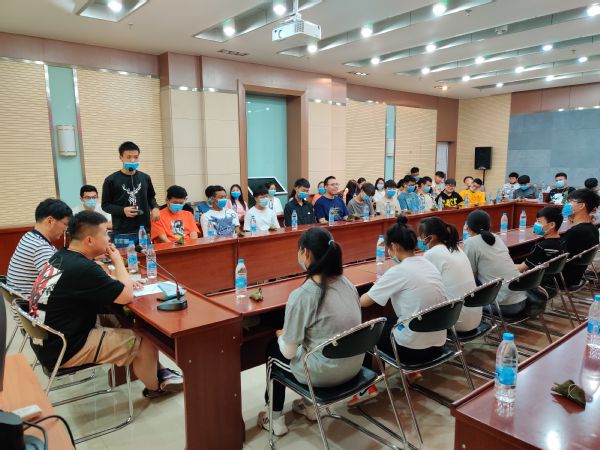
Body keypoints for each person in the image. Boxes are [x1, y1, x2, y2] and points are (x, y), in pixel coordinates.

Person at [28, 211, 183, 399]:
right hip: (64, 348)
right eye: (105, 234)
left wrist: (119, 281)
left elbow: (97, 281)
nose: (109, 238)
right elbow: (126, 296)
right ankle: (155, 389)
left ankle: (159, 371)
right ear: (89, 240)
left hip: (48, 341)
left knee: (123, 321)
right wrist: (118, 262)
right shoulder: (83, 268)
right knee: (147, 342)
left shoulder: (62, 256)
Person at [256, 228, 363, 435]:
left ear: (305, 253)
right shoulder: (347, 283)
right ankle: (311, 407)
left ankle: (275, 419)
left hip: (325, 375)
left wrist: (282, 336)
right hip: (354, 367)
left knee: (274, 351)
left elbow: (288, 352)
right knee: (310, 343)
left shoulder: (304, 294)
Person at [353, 215, 447, 404]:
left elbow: (364, 302)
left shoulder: (398, 271)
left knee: (370, 328)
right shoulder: (427, 263)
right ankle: (412, 372)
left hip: (413, 351)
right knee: (394, 321)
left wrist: (376, 288)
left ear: (394, 247)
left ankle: (366, 387)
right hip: (438, 344)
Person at [418, 217, 480, 332]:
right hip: (475, 317)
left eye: (421, 236)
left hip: (455, 320)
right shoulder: (456, 249)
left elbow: (420, 287)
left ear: (431, 237)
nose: (420, 240)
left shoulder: (432, 254)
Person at [463, 210, 527, 316]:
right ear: (489, 226)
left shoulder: (471, 242)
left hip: (504, 306)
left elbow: (470, 276)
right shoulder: (496, 237)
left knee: (461, 301)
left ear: (468, 228)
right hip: (522, 300)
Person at [7, 199, 72, 297]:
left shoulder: (30, 236)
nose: (65, 229)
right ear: (50, 221)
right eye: (65, 224)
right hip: (30, 304)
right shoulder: (40, 246)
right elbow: (61, 284)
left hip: (20, 300)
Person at [101, 141, 160, 245]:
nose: (133, 160)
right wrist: (122, 210)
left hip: (143, 230)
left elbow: (151, 197)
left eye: (136, 157)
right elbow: (105, 205)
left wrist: (155, 208)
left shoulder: (145, 178)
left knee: (146, 255)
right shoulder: (111, 180)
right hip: (122, 232)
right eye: (128, 157)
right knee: (124, 256)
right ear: (121, 157)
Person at [560, 189, 600, 286]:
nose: (566, 205)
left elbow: (556, 257)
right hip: (576, 277)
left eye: (570, 202)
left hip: (560, 278)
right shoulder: (593, 229)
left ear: (581, 206)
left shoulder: (576, 232)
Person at [515, 206, 566, 275]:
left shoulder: (541, 247)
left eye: (539, 221)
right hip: (553, 278)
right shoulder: (563, 241)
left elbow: (521, 269)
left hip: (535, 279)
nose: (536, 224)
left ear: (552, 225)